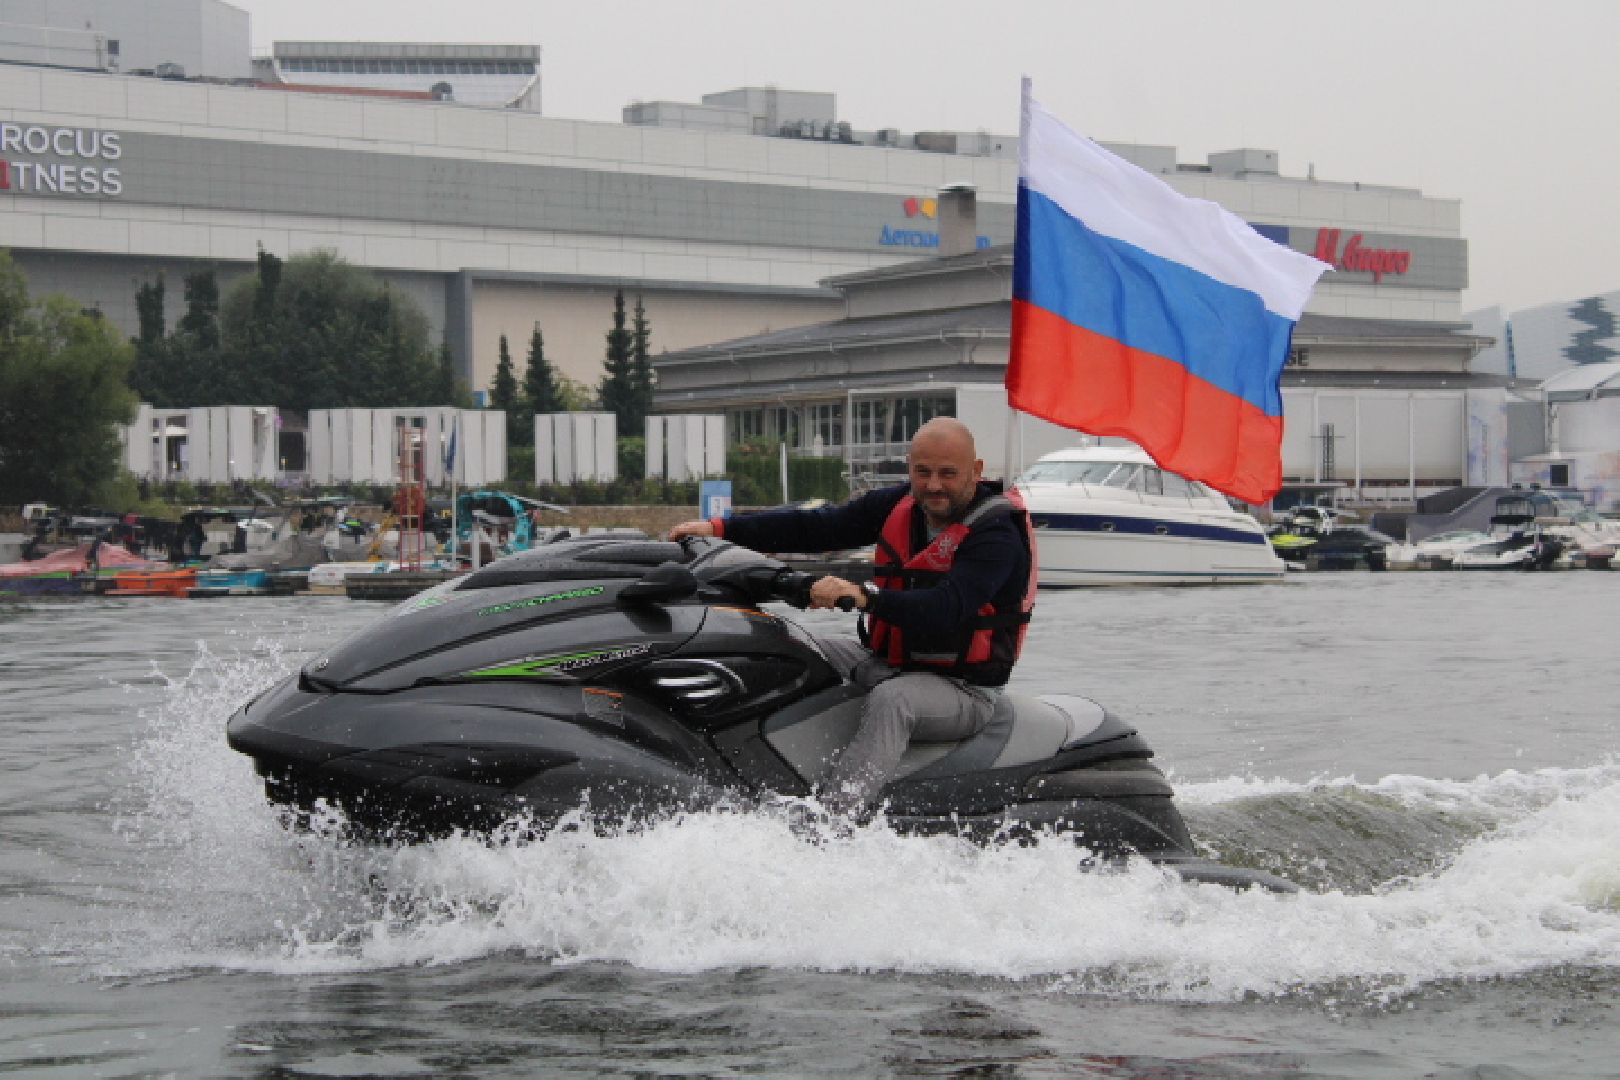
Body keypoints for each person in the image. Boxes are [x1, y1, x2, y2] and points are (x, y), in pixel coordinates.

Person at [669, 417, 1037, 818]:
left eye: (948, 474)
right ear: (910, 468)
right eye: (923, 472)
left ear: (976, 471)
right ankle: (738, 771)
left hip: (963, 691)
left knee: (894, 700)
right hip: (887, 663)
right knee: (784, 641)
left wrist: (865, 597)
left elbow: (945, 609)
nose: (933, 485)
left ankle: (834, 820)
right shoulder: (901, 506)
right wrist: (720, 527)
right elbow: (820, 527)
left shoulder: (998, 535)